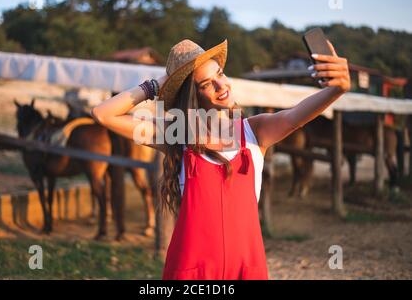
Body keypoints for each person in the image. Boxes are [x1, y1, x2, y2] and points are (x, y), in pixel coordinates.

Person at [91, 38, 350, 280]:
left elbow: (296, 115)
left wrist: (337, 90)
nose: (221, 85)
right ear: (193, 96)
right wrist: (157, 85)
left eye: (220, 74)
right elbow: (103, 114)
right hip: (191, 273)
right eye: (206, 84)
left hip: (247, 269)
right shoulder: (175, 135)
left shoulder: (255, 132)